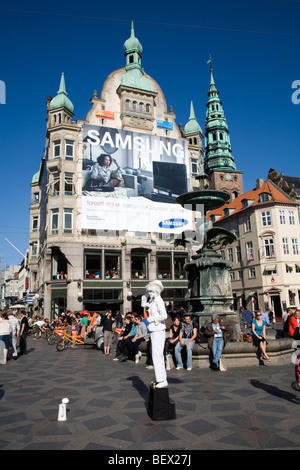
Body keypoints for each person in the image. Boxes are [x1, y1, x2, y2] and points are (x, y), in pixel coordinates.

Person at [141, 280, 168, 387]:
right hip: (154, 330)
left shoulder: (159, 301)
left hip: (158, 329)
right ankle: (160, 378)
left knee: (157, 355)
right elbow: (143, 303)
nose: (150, 294)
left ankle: (162, 380)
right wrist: (146, 292)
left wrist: (151, 319)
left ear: (157, 291)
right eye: (150, 292)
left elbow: (164, 315)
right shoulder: (153, 301)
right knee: (156, 355)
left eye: (152, 291)